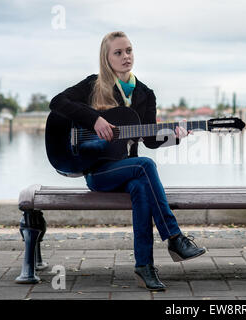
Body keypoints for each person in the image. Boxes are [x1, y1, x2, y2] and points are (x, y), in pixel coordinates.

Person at [49, 31, 206, 291]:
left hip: (129, 171)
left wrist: (176, 136)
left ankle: (144, 267)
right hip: (97, 171)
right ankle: (175, 238)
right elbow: (57, 102)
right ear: (107, 57)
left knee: (141, 185)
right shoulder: (93, 85)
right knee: (145, 166)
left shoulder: (145, 94)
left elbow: (150, 141)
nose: (126, 57)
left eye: (129, 51)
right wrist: (94, 120)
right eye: (118, 52)